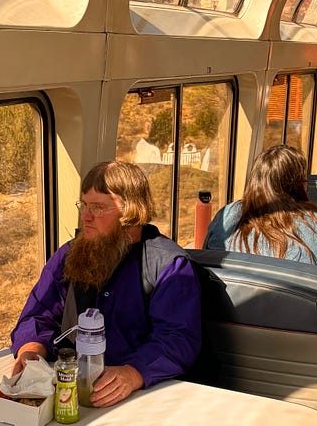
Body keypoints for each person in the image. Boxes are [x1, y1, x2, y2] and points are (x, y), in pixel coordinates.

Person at [10, 160, 201, 408]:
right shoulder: (70, 254)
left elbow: (178, 339)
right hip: (70, 389)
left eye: (98, 208)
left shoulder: (168, 265)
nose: (85, 216)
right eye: (84, 205)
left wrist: (133, 373)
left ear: (131, 212)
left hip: (141, 394)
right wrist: (31, 351)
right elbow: (39, 311)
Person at [203, 145, 317, 274]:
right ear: (299, 184)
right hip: (301, 304)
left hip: (230, 303)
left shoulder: (226, 215)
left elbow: (206, 258)